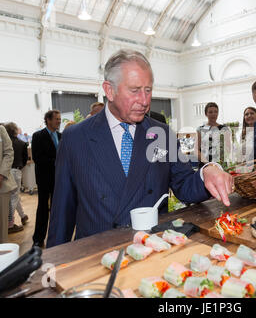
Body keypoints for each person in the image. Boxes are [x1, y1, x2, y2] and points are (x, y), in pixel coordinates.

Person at [47, 49, 233, 247]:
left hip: (151, 249)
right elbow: (62, 212)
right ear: (109, 90)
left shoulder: (161, 133)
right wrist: (53, 263)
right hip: (96, 256)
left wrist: (206, 173)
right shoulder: (76, 137)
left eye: (148, 90)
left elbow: (185, 185)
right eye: (135, 91)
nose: (144, 101)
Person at [31, 110, 61, 248]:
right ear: (48, 120)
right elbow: (37, 158)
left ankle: (56, 236)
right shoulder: (38, 136)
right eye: (56, 119)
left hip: (59, 179)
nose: (59, 121)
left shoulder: (61, 136)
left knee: (58, 209)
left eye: (59, 119)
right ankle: (38, 238)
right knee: (43, 209)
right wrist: (57, 161)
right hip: (44, 179)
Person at [5, 122, 29, 233]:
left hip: (5, 172)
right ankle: (10, 224)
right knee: (14, 196)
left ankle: (23, 216)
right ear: (15, 130)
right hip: (16, 171)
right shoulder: (22, 143)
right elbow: (25, 160)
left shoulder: (4, 143)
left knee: (14, 196)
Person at [196, 102, 231, 168]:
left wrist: (220, 161)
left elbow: (228, 148)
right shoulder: (200, 129)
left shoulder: (224, 129)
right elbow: (196, 150)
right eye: (210, 112)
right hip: (205, 164)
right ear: (206, 114)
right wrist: (207, 163)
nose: (213, 114)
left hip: (220, 164)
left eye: (215, 112)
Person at [0, 124, 17, 243]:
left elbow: (9, 152)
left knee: (2, 228)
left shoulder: (1, 130)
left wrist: (1, 175)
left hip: (1, 185)